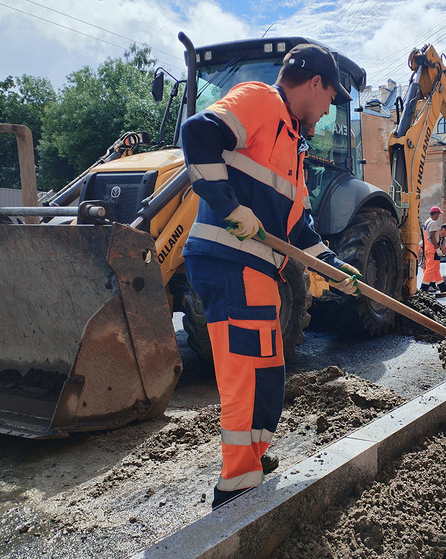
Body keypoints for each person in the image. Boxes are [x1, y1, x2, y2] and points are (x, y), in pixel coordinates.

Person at [180, 43, 362, 510]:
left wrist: (334, 267)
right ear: (314, 83)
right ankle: (236, 487)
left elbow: (296, 227)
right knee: (248, 372)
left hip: (259, 267)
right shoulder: (261, 99)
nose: (327, 108)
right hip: (229, 260)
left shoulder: (292, 144)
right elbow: (198, 134)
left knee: (269, 371)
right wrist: (230, 207)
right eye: (329, 97)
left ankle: (253, 460)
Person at [420, 206, 446, 293]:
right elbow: (432, 237)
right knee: (430, 269)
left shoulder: (427, 222)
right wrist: (437, 249)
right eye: (438, 214)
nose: (439, 216)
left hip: (428, 248)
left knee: (435, 269)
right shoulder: (432, 223)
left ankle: (442, 288)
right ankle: (423, 288)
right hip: (432, 249)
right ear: (435, 213)